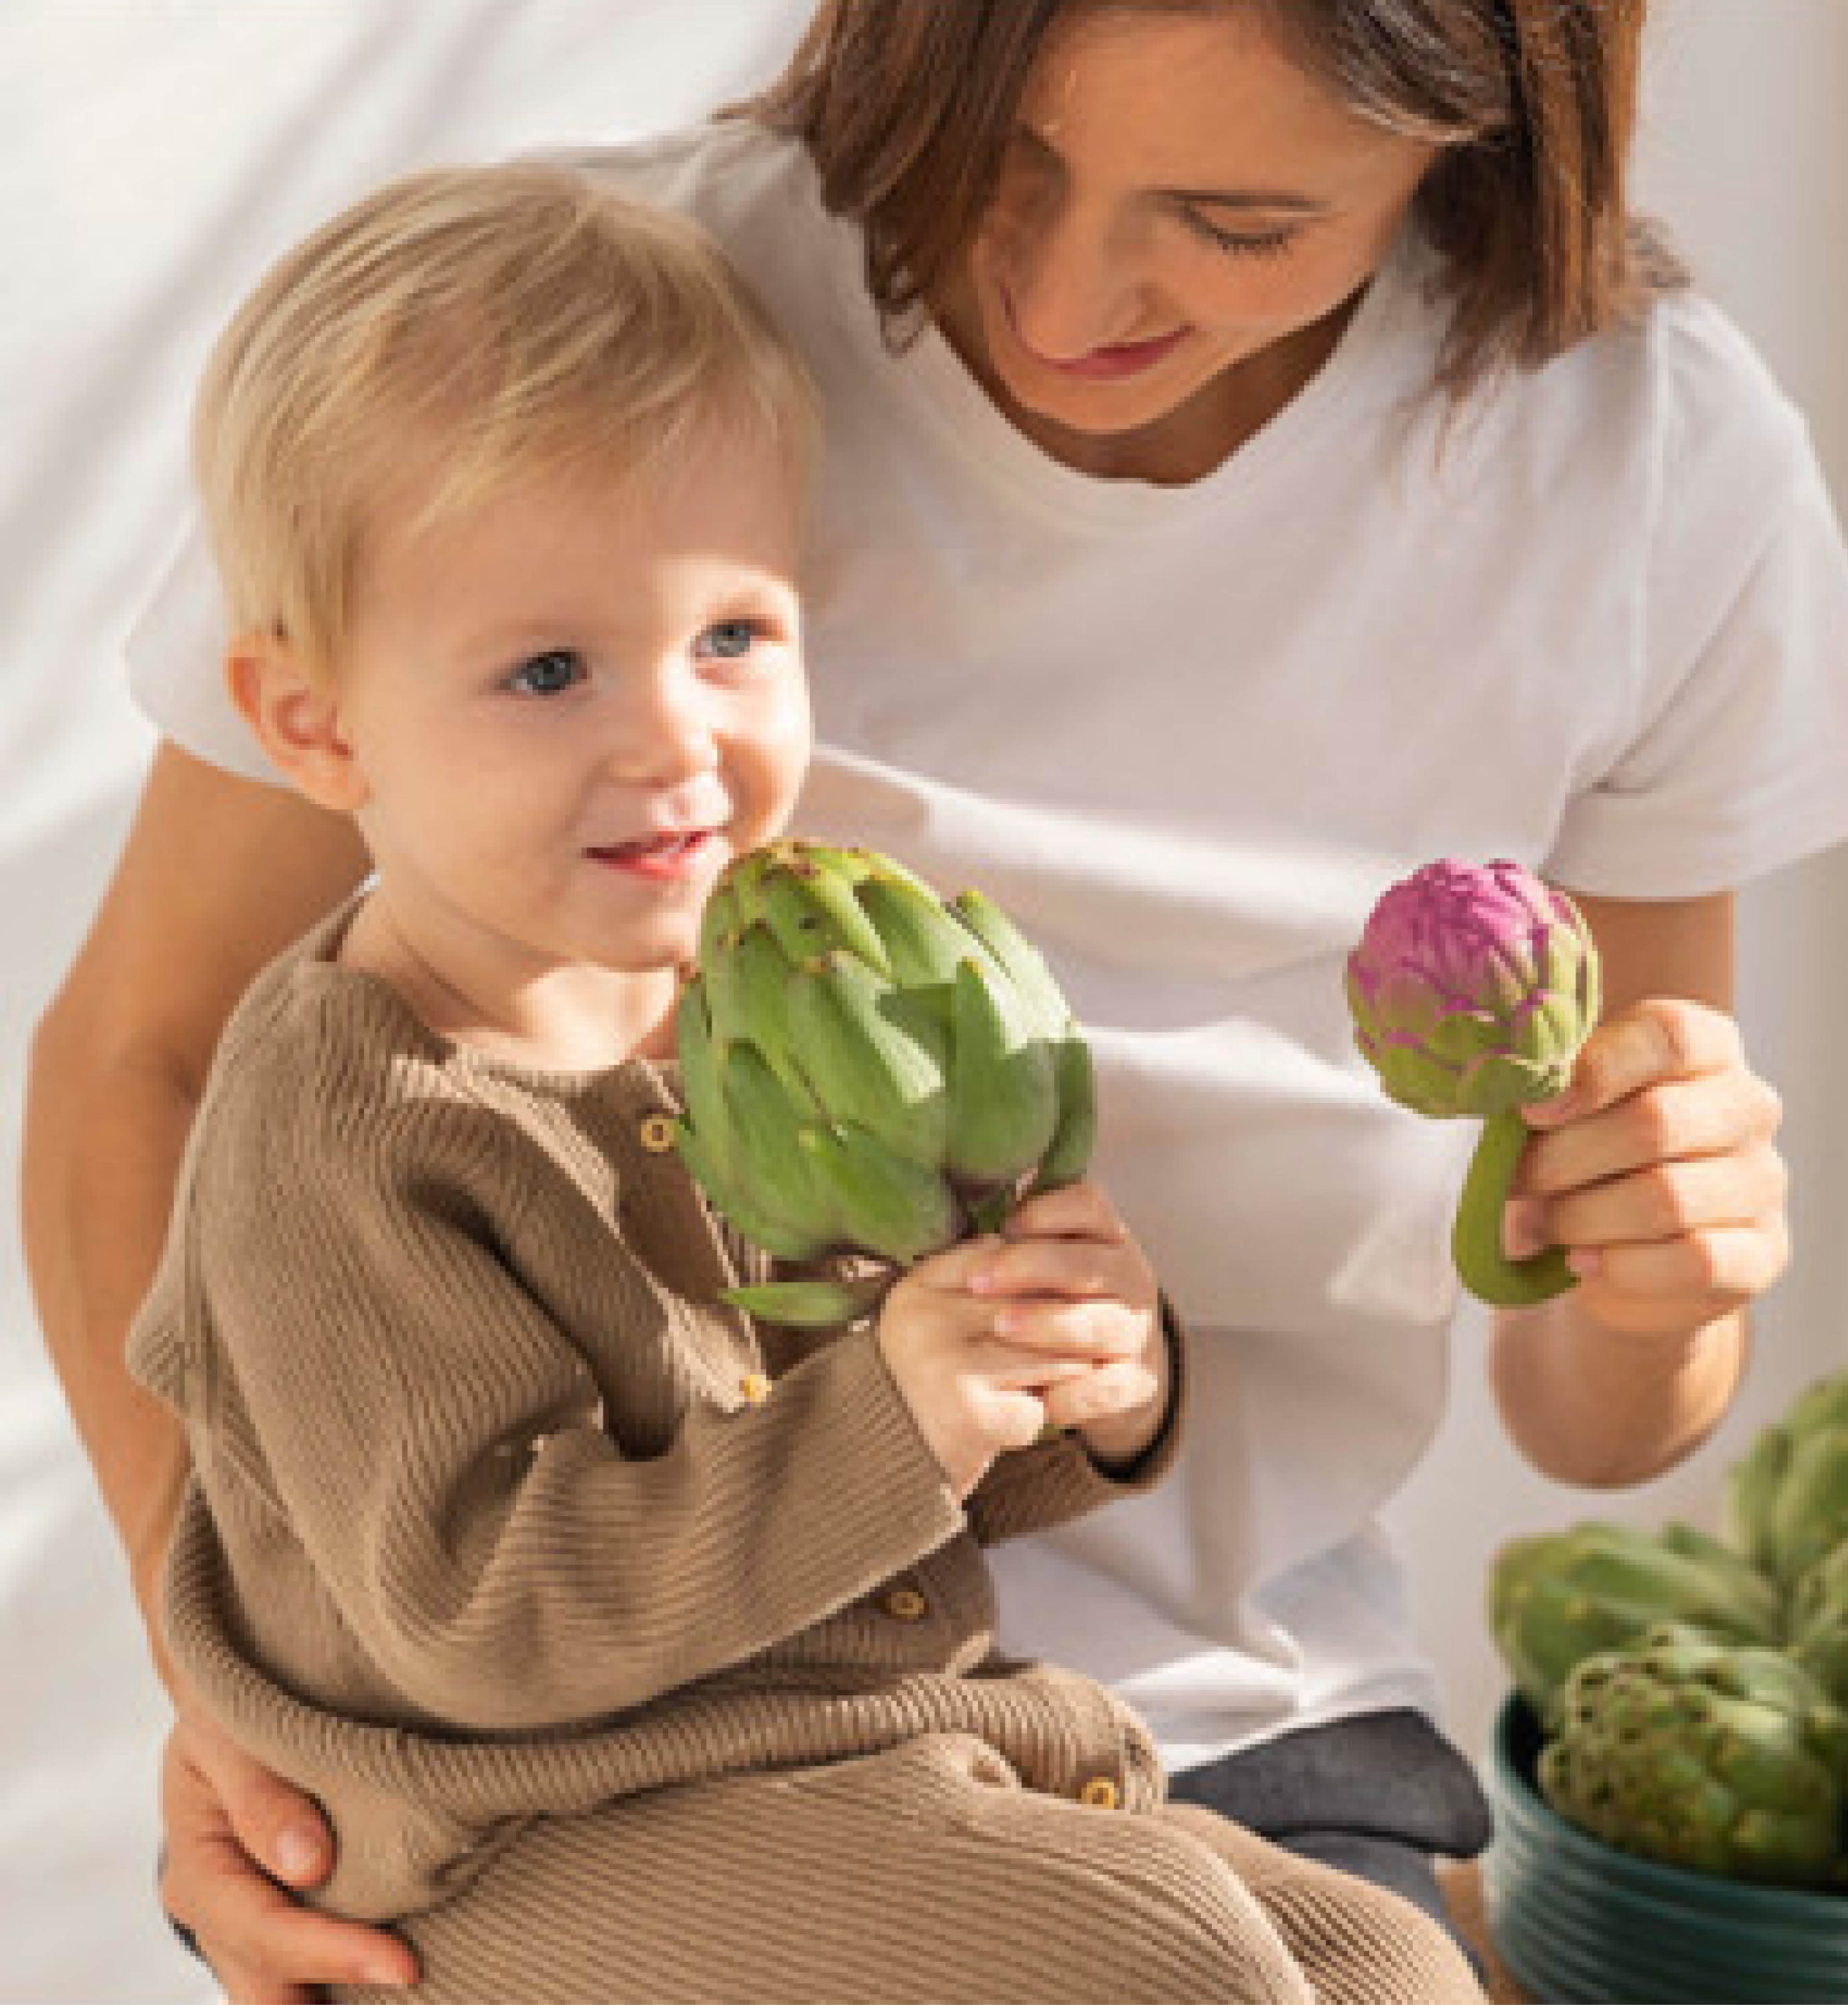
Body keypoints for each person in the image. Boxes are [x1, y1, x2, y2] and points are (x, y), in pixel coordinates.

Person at [23, 2, 1848, 1997]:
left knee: (1380, 1970)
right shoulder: (569, 351)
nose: (1061, 286)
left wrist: (1636, 1269)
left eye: (1236, 219)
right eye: (1005, 152)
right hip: (605, 1775)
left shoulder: (1645, 467)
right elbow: (151, 1070)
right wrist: (251, 1706)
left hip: (1133, 1703)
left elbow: (1606, 1417)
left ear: (1483, 134)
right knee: (1174, 1966)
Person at [115, 156, 1488, 2005]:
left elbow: (868, 1487)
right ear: (309, 720)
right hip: (536, 1830)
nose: (674, 737)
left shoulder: (749, 1019)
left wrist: (1075, 1380)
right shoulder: (352, 1124)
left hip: (858, 1752)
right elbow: (479, 1617)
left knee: (1388, 1969)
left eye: (733, 638)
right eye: (547, 671)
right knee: (1171, 1970)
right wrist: (897, 1423)